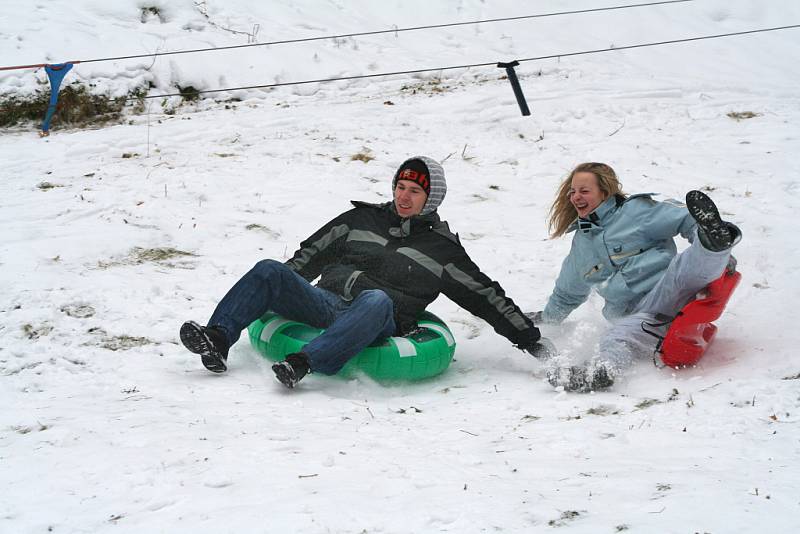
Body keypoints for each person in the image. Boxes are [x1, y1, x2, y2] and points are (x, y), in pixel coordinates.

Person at [180, 156, 554, 388]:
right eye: (401, 187)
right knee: (269, 269)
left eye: (414, 192)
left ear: (431, 198)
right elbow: (310, 254)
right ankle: (218, 338)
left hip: (378, 318)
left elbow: (486, 296)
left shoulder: (442, 251)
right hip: (326, 303)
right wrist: (280, 289)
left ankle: (303, 363)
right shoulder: (362, 219)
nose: (404, 196)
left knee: (375, 298)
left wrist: (533, 343)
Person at [535, 162, 741, 392]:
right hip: (638, 316)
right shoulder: (582, 246)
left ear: (605, 192)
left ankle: (715, 244)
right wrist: (545, 318)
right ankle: (601, 372)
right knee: (616, 336)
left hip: (667, 290)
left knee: (685, 266)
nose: (575, 197)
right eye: (572, 191)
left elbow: (687, 219)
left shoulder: (637, 213)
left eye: (584, 191)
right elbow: (566, 293)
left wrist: (716, 250)